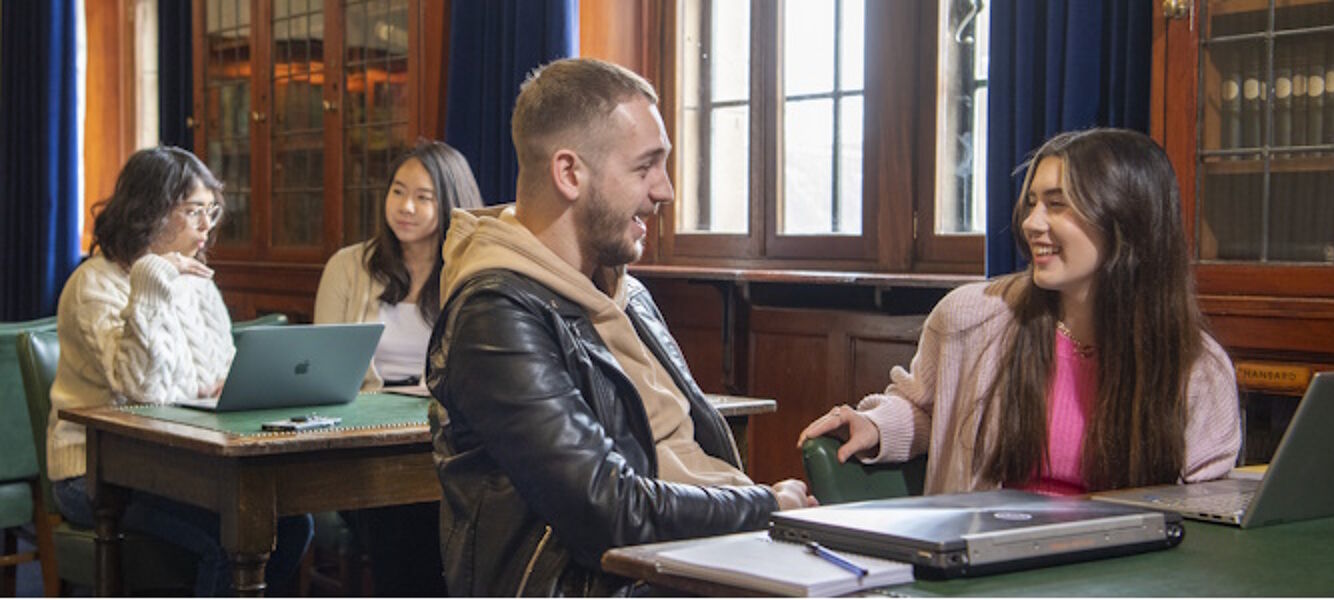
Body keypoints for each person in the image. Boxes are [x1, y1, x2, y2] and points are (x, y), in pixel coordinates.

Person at [425, 57, 816, 596]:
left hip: (706, 556)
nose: (666, 190)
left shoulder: (626, 292)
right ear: (569, 174)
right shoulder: (494, 315)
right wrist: (766, 506)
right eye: (644, 167)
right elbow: (606, 510)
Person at [798, 128, 1241, 496]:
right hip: (987, 559)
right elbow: (930, 411)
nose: (1031, 223)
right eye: (1032, 203)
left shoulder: (1198, 368)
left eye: (1057, 204)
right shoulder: (970, 317)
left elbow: (1205, 508)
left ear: (1126, 220)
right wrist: (875, 426)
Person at [47, 146, 312, 596]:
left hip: (183, 461)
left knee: (292, 525)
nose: (207, 225)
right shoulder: (93, 285)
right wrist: (152, 281)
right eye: (193, 212)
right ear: (149, 211)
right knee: (228, 537)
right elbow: (144, 391)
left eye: (212, 211)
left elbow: (221, 376)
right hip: (95, 471)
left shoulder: (197, 281)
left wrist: (209, 386)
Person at [313, 140, 482, 596]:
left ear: (451, 203)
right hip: (363, 445)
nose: (405, 207)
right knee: (400, 515)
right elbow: (326, 372)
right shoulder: (348, 267)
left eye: (423, 197)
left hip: (445, 440)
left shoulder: (472, 273)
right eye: (397, 191)